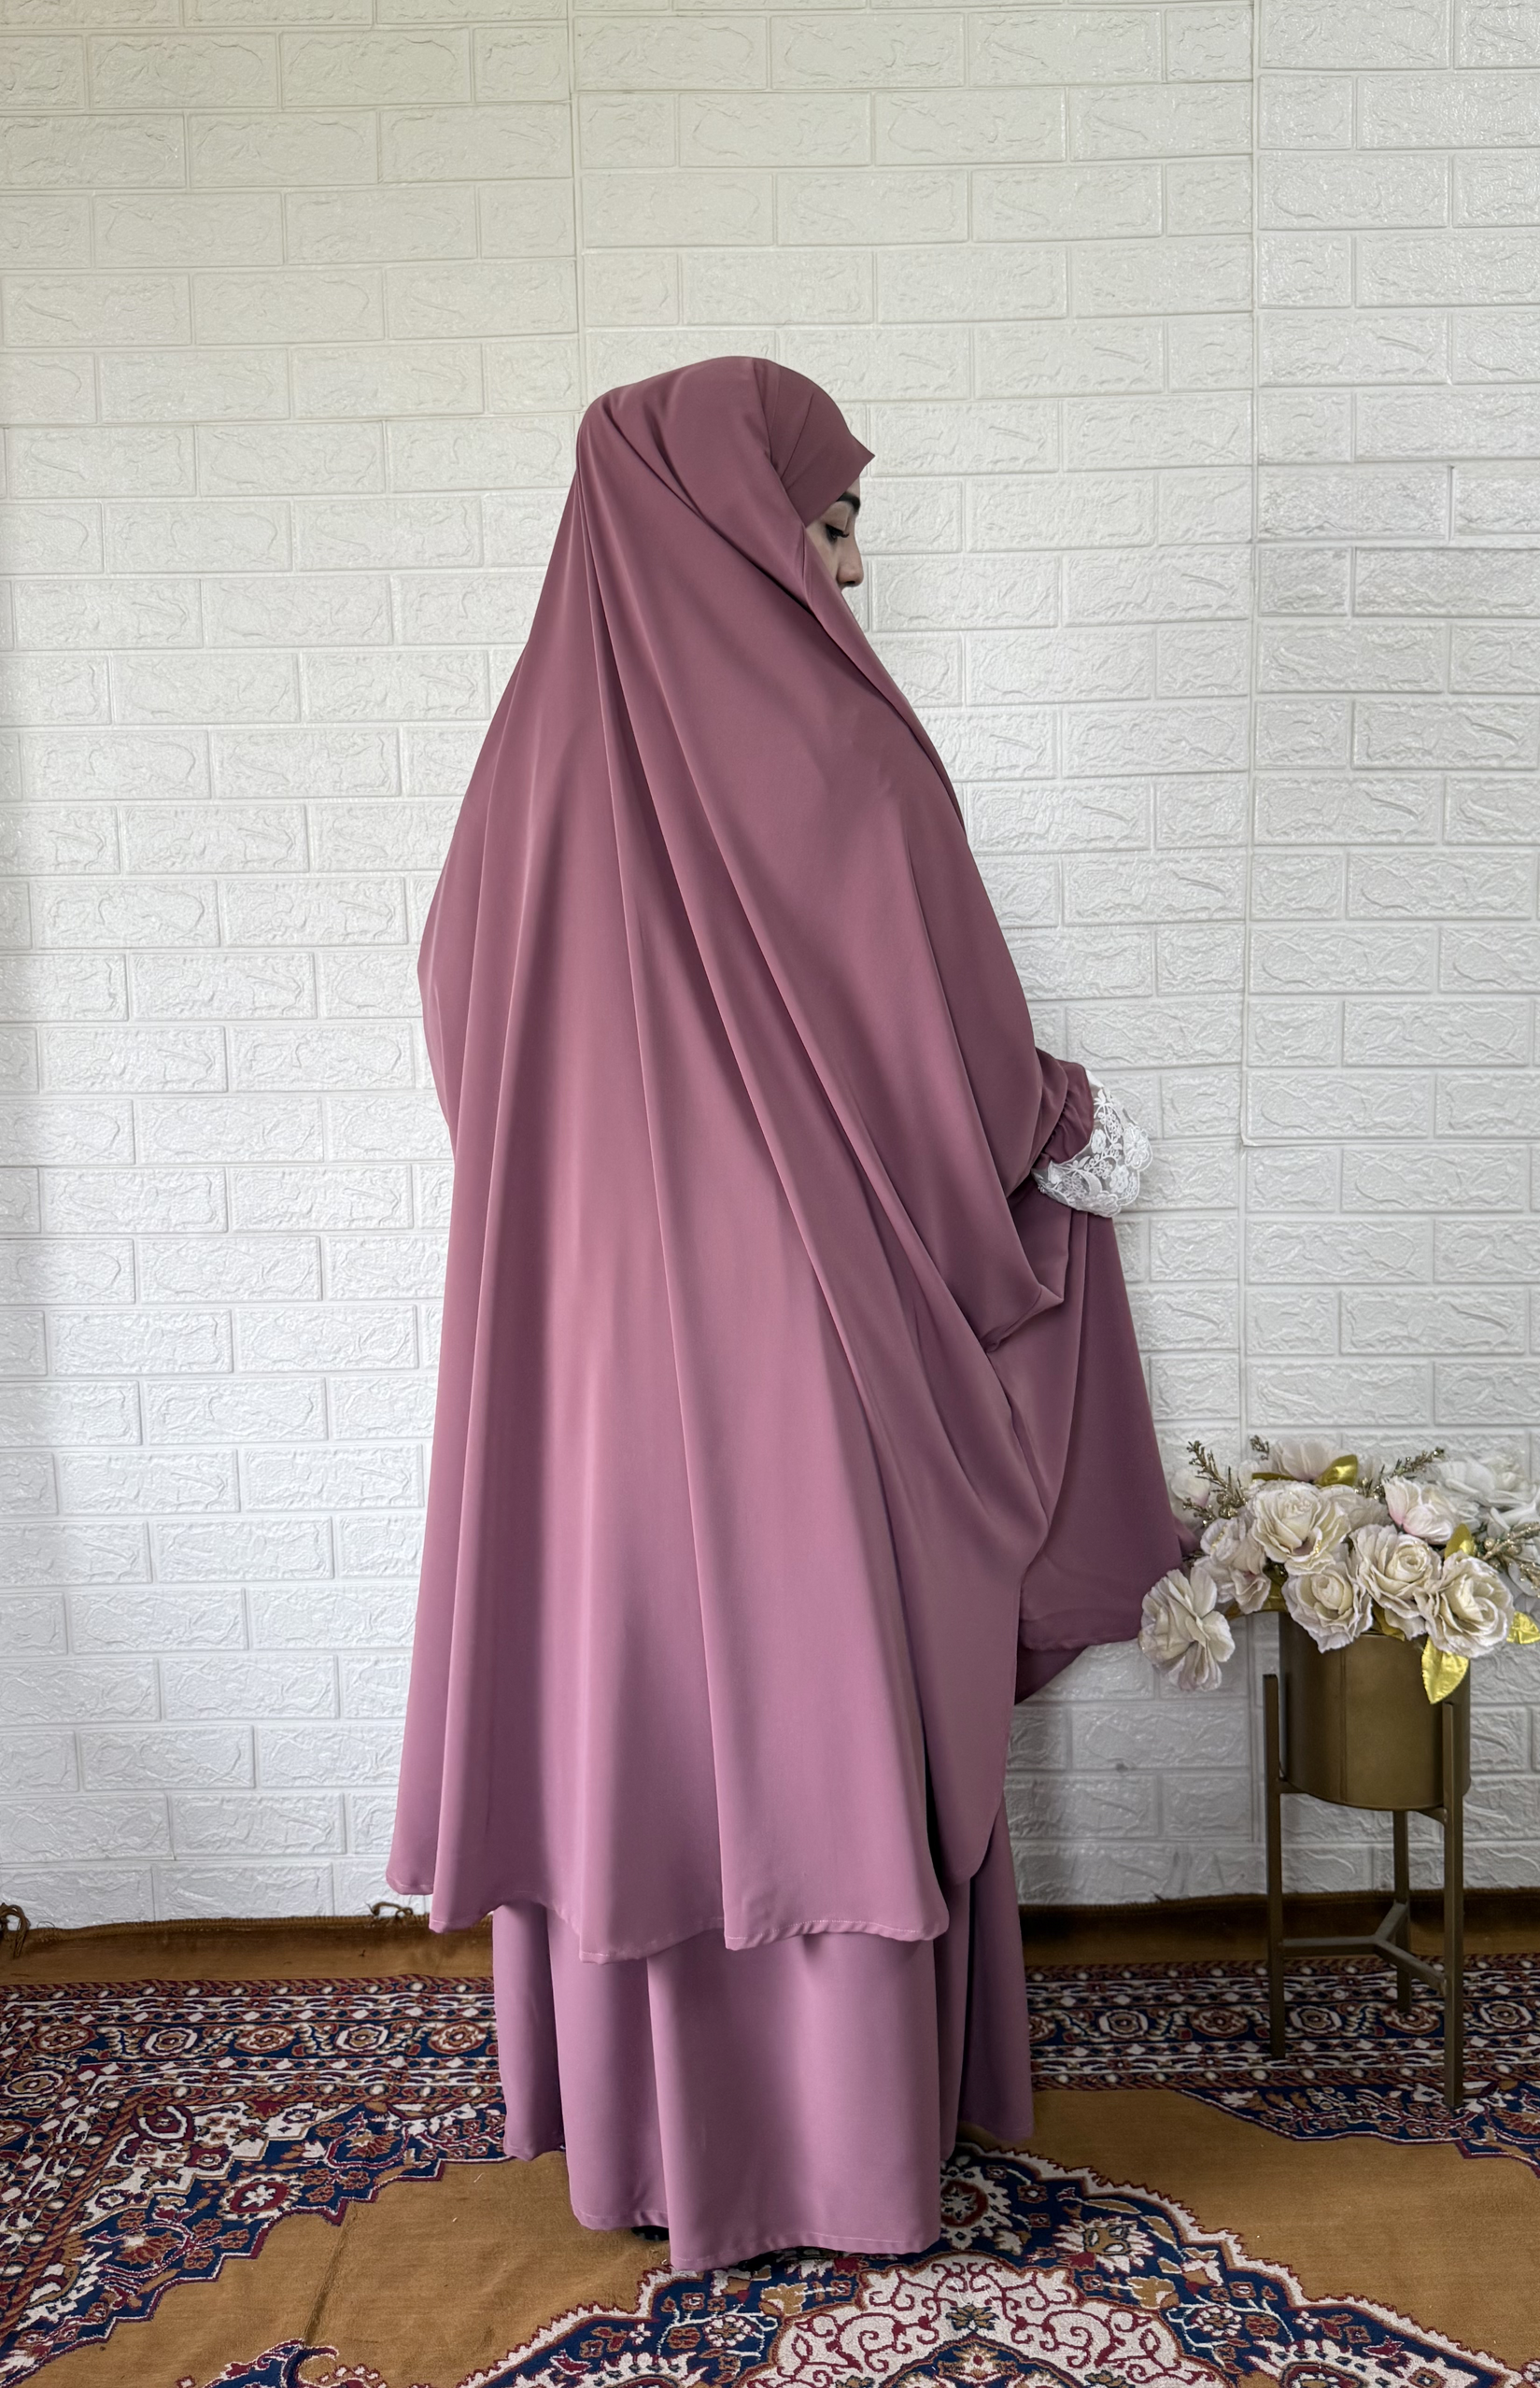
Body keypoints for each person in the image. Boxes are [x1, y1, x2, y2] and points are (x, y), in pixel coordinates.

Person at [388, 356, 1182, 2271]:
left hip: (594, 1361)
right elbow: (946, 1067)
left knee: (644, 1698)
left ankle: (649, 2147)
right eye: (830, 518)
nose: (850, 564)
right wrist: (1057, 1122)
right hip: (813, 1345)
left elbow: (469, 1039)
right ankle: (844, 2152)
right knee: (824, 1693)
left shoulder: (520, 781)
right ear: (744, 519)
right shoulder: (842, 752)